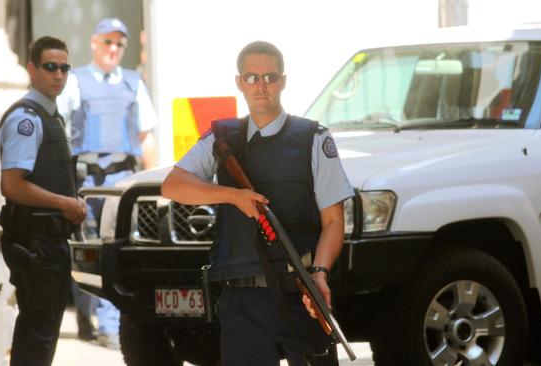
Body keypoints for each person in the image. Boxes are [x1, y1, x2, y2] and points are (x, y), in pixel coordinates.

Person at [161, 41, 354, 366]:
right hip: (242, 298)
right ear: (239, 82)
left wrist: (319, 274)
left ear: (283, 81)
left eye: (270, 77)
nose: (261, 86)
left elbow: (334, 221)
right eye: (251, 77)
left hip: (300, 290)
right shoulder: (221, 138)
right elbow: (173, 185)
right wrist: (233, 195)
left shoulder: (313, 139)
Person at [57, 17, 159, 348]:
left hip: (122, 181)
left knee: (115, 249)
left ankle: (111, 324)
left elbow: (146, 136)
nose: (113, 49)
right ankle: (87, 316)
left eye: (119, 44)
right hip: (86, 181)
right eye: (108, 42)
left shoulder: (133, 82)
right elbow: (60, 132)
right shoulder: (75, 81)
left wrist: (152, 185)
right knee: (88, 250)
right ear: (94, 43)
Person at [0, 36, 86, 366]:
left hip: (48, 241)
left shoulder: (51, 115)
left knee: (43, 332)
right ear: (32, 68)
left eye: (64, 68)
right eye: (50, 67)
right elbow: (13, 185)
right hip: (36, 243)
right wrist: (64, 203)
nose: (58, 75)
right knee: (38, 335)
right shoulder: (27, 119)